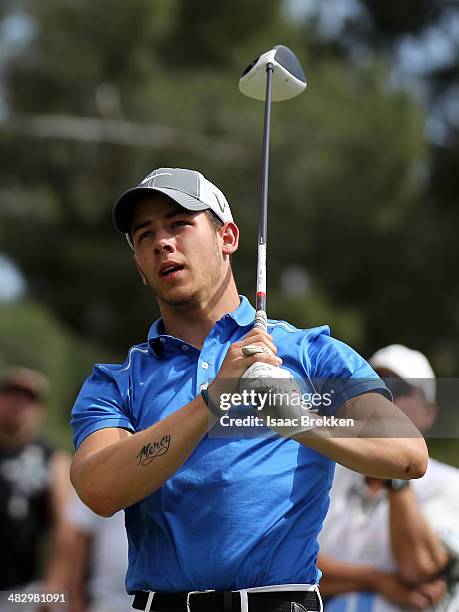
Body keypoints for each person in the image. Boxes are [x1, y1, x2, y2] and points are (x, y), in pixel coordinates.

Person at [70, 167, 428, 612]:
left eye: (180, 223)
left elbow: (409, 455)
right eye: (145, 235)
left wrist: (301, 425)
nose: (163, 242)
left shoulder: (312, 353)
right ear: (140, 267)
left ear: (228, 237)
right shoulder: (116, 380)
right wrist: (212, 401)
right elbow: (100, 489)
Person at [318, 345, 459, 611]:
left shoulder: (450, 483)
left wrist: (394, 470)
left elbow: (419, 568)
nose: (384, 399)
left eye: (399, 389)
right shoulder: (327, 473)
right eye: (374, 387)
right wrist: (378, 580)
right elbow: (292, 568)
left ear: (429, 413)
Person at [0, 367, 71, 609]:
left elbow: (66, 527)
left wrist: (54, 587)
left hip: (19, 592)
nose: (18, 404)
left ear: (41, 410)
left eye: (29, 399)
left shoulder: (53, 460)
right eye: (12, 394)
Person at [63, 489, 131, 612]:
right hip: (106, 599)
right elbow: (80, 533)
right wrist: (74, 595)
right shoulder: (103, 475)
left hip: (159, 598)